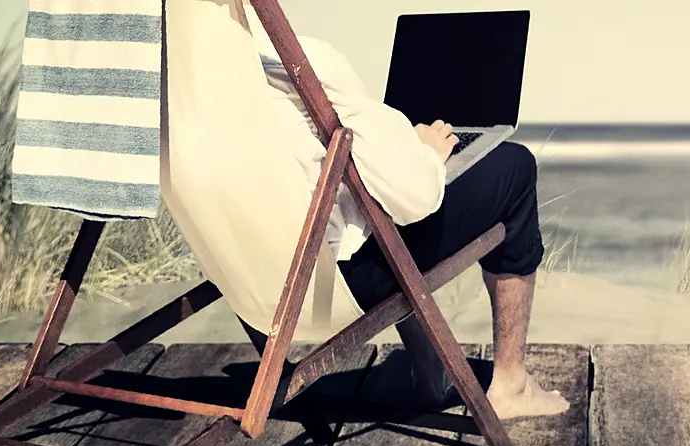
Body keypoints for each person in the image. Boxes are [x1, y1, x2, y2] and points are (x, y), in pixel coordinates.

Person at [239, 1, 568, 421]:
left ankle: (430, 369)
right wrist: (426, 153)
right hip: (332, 286)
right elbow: (414, 198)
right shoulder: (301, 63)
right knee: (515, 168)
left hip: (252, 282)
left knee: (367, 199)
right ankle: (511, 384)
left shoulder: (190, 86)